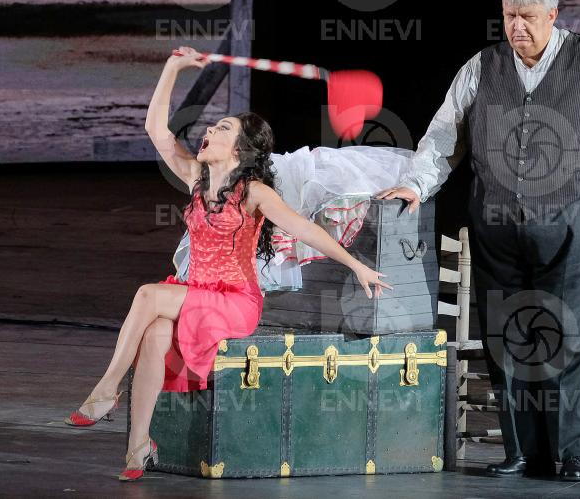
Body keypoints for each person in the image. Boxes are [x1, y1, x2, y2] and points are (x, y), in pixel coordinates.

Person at [377, 0, 580, 481]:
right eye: (510, 16)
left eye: (528, 18)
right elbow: (444, 134)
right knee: (506, 333)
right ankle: (522, 450)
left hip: (575, 217)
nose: (518, 27)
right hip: (497, 222)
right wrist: (416, 185)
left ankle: (572, 451)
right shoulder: (482, 67)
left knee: (569, 333)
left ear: (552, 17)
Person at [63, 46, 393, 481]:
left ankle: (107, 389)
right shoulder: (195, 180)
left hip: (235, 301)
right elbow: (155, 129)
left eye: (222, 128)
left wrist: (356, 265)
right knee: (155, 332)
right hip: (198, 293)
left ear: (239, 149)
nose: (208, 131)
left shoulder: (255, 193)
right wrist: (173, 67)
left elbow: (305, 229)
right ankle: (138, 446)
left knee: (147, 295)